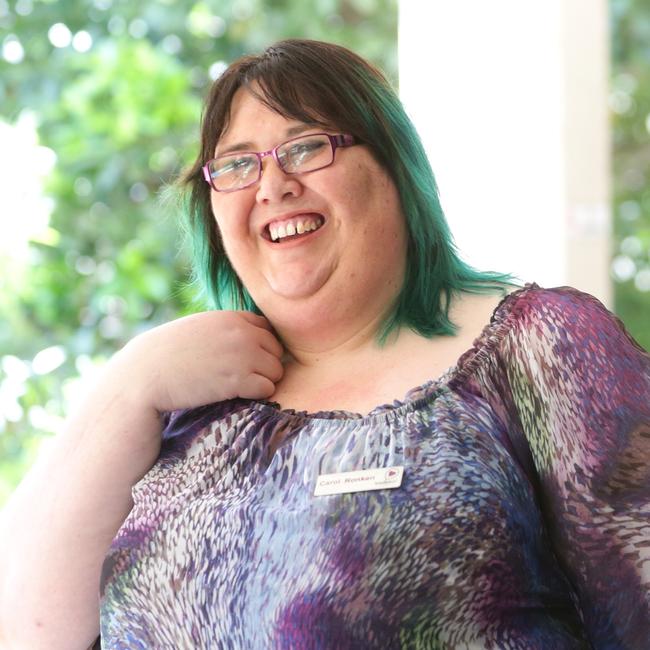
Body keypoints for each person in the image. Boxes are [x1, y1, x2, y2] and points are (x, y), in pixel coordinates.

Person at [0, 39, 648, 650]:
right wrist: (128, 385)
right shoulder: (184, 397)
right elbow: (25, 630)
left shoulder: (542, 347)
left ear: (395, 168)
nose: (271, 185)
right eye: (236, 164)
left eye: (306, 147)